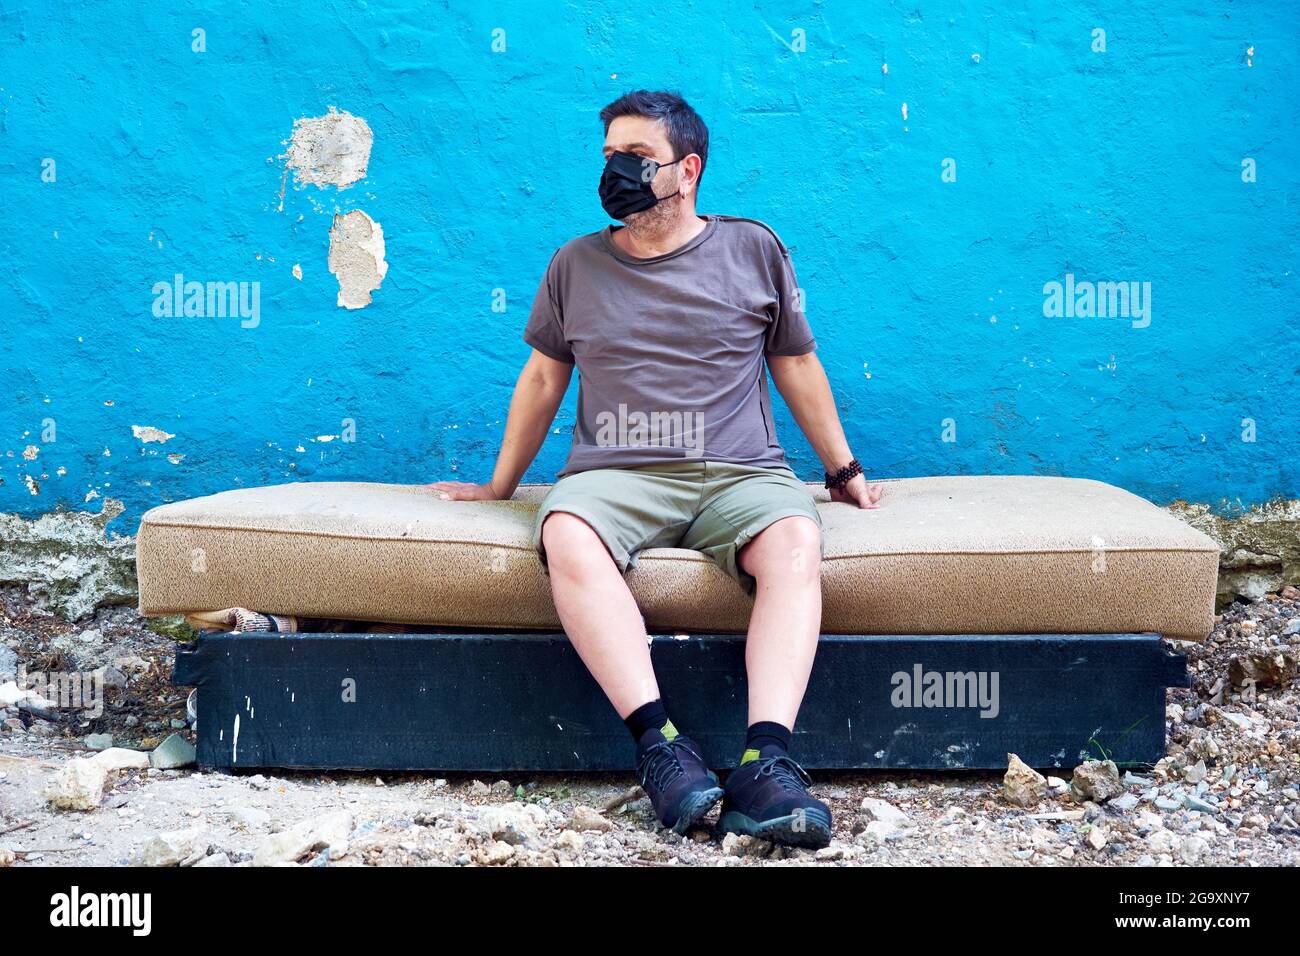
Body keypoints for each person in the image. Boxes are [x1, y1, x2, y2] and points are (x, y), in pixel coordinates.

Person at [432, 90, 881, 849]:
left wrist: (842, 469)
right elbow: (542, 380)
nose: (618, 173)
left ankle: (767, 761)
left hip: (741, 472)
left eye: (637, 159)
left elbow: (796, 364)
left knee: (796, 545)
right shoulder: (574, 264)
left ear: (688, 170)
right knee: (567, 532)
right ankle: (662, 749)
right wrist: (499, 487)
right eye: (610, 158)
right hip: (616, 475)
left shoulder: (755, 249)